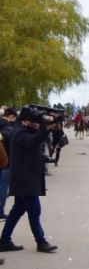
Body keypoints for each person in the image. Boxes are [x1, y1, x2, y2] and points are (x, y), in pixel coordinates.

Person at [0, 106, 59, 253]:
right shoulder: (20, 133)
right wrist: (45, 127)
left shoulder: (25, 130)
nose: (37, 124)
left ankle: (4, 241)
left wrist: (49, 122)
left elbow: (33, 144)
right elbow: (31, 142)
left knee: (17, 210)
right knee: (35, 210)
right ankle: (41, 241)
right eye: (35, 122)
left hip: (25, 179)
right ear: (26, 121)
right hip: (24, 180)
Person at [0, 107, 19, 222]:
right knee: (3, 186)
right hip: (6, 162)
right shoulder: (9, 129)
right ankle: (0, 212)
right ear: (11, 116)